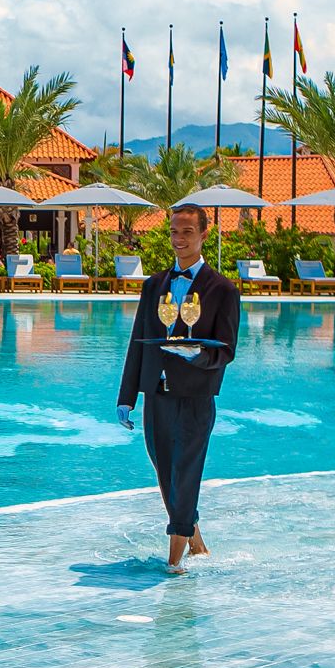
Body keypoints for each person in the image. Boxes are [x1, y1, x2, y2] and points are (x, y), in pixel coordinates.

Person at [116, 204, 241, 573]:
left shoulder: (223, 290)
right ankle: (196, 543)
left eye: (187, 231)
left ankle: (173, 562)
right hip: (157, 395)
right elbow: (139, 340)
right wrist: (127, 397)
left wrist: (195, 357)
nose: (179, 239)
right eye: (174, 231)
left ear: (204, 235)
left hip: (195, 397)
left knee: (185, 472)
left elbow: (226, 350)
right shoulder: (154, 285)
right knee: (165, 471)